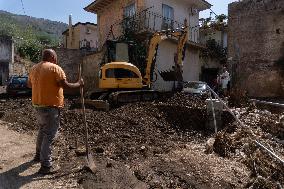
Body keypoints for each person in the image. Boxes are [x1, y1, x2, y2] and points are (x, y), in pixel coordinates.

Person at [28, 49, 83, 175]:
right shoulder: (55, 68)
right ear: (52, 57)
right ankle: (46, 165)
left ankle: (38, 155)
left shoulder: (34, 68)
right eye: (56, 57)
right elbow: (66, 86)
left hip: (38, 106)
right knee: (49, 135)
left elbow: (29, 85)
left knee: (42, 130)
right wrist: (79, 84)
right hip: (51, 107)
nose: (56, 59)